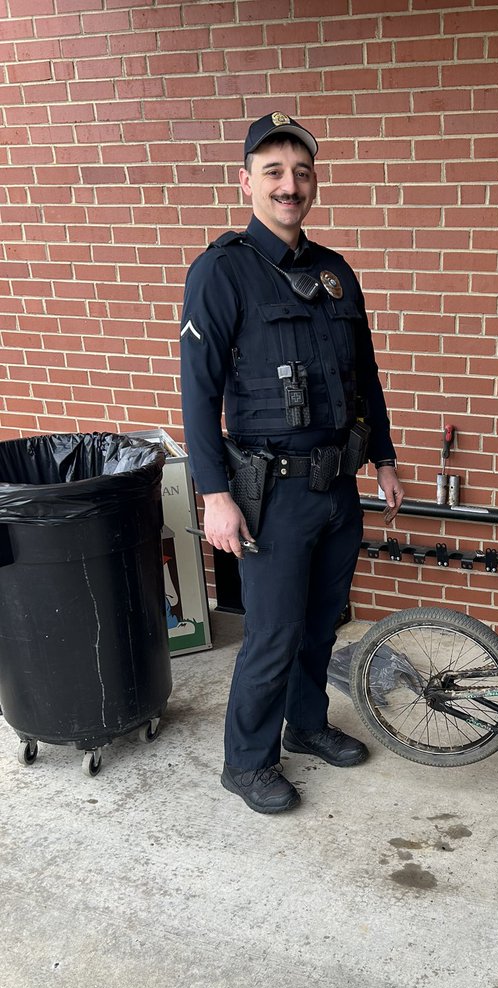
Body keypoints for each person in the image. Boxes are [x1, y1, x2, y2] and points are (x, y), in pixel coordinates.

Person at [179, 112, 403, 815]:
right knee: (272, 635)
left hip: (337, 486)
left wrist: (386, 460)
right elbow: (197, 391)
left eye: (301, 172)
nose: (289, 185)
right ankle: (246, 763)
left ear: (314, 183)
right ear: (246, 181)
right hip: (270, 497)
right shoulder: (221, 272)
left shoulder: (335, 272)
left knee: (320, 623)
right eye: (274, 172)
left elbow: (365, 374)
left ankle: (306, 726)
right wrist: (214, 494)